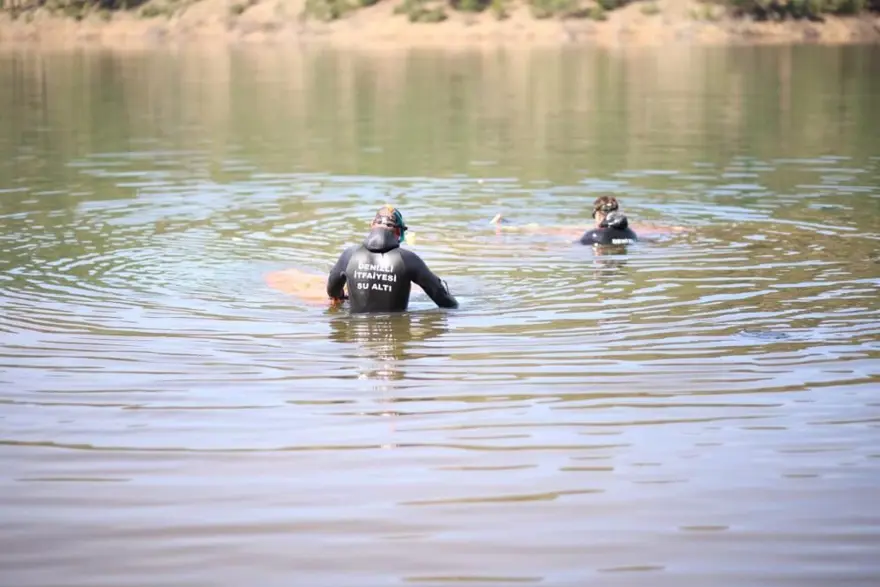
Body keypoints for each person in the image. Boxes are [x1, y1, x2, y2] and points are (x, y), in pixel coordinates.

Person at [326, 205, 459, 313]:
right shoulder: (408, 260)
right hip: (395, 340)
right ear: (397, 232)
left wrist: (341, 297)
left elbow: (332, 289)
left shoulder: (349, 255)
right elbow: (445, 301)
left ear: (372, 225)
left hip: (359, 342)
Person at [490, 195, 682, 245]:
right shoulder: (634, 231)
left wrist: (506, 226)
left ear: (597, 215)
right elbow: (669, 229)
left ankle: (505, 223)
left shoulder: (585, 233)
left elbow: (540, 230)